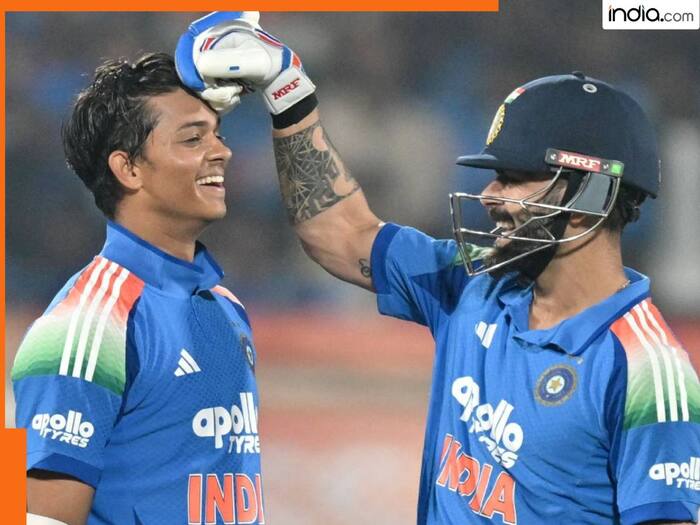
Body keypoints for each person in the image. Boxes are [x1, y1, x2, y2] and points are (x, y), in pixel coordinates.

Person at [177, 11, 700, 525]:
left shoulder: (649, 374)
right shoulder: (475, 280)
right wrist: (288, 92)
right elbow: (337, 233)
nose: (489, 195)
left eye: (515, 177)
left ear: (591, 194)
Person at [12, 52, 266, 525]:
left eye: (218, 135)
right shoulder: (82, 322)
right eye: (193, 138)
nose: (222, 152)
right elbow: (32, 515)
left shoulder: (226, 308)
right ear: (128, 169)